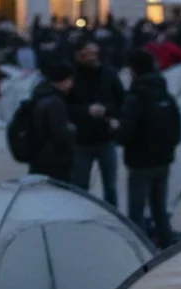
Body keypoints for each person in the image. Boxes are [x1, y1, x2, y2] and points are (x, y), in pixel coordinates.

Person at [119, 49, 181, 249]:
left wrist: (114, 130)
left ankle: (140, 250)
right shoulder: (164, 93)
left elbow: (125, 132)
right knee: (159, 209)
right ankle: (166, 246)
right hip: (163, 160)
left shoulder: (135, 97)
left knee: (136, 211)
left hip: (140, 162)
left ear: (133, 71)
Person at [68, 39, 125, 206]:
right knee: (80, 185)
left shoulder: (109, 75)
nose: (92, 57)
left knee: (110, 187)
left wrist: (107, 111)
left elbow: (121, 101)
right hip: (81, 139)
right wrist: (87, 110)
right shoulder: (73, 77)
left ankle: (112, 215)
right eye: (87, 54)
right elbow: (65, 106)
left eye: (94, 53)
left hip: (105, 137)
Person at [28, 62, 77, 182]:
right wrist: (73, 129)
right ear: (63, 80)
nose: (72, 85)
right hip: (55, 162)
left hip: (38, 158)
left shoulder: (39, 95)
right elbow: (60, 133)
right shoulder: (55, 102)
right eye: (70, 80)